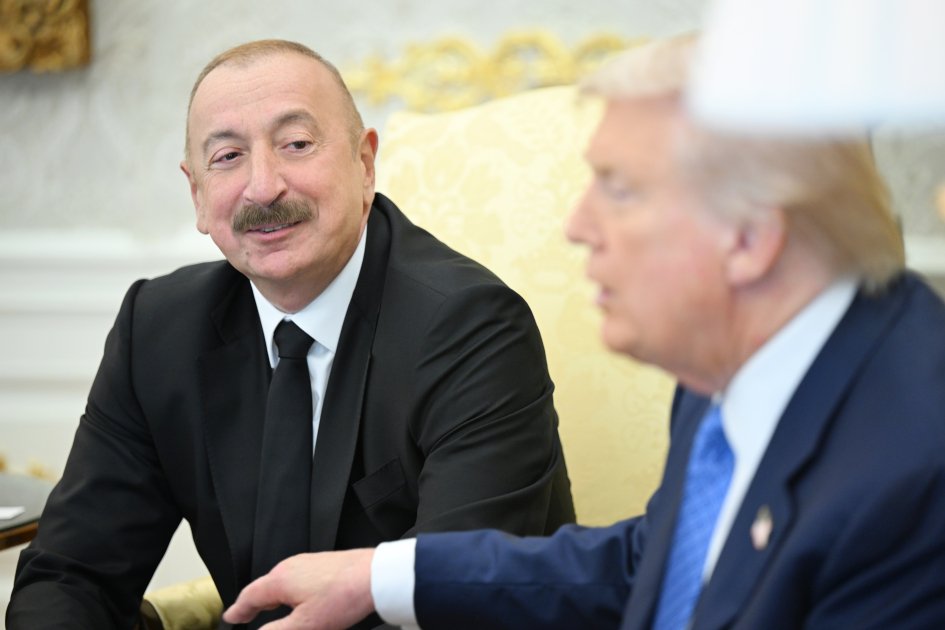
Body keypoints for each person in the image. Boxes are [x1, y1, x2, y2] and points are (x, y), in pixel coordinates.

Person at [221, 33, 945, 629]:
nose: (578, 225)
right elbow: (661, 563)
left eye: (619, 190)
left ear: (751, 237)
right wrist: (381, 577)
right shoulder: (730, 373)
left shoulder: (912, 477)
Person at [6, 39, 575, 629]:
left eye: (296, 144)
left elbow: (454, 598)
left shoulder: (472, 328)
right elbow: (71, 573)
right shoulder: (157, 328)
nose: (262, 187)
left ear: (364, 164)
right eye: (228, 156)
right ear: (197, 193)